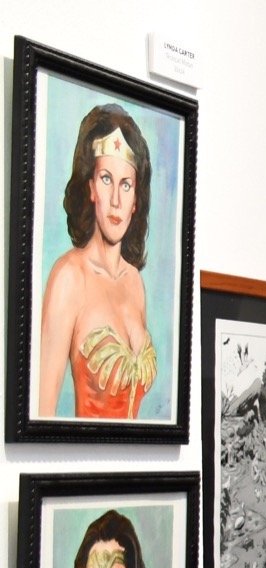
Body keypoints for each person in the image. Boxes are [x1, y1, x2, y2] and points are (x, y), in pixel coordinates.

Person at [39, 104, 159, 420]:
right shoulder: (68, 277)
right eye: (106, 179)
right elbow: (39, 412)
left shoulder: (135, 282)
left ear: (136, 201)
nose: (116, 201)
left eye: (126, 184)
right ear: (91, 187)